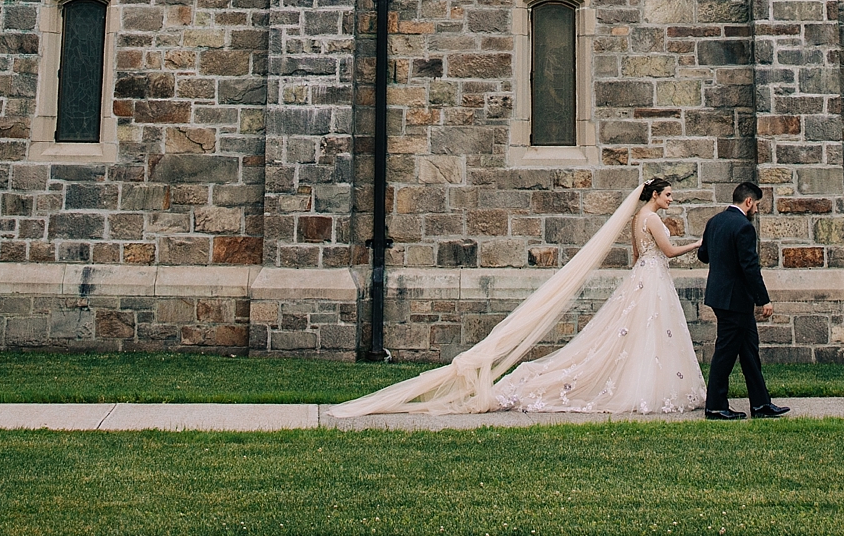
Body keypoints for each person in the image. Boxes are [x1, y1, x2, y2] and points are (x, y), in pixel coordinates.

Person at [327, 175, 707, 417]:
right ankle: (649, 388)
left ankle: (643, 384)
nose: (672, 199)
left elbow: (637, 256)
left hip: (643, 276)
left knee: (635, 336)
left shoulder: (636, 219)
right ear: (655, 195)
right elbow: (666, 253)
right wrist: (698, 244)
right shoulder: (653, 218)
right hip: (653, 278)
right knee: (648, 336)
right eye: (669, 194)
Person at [700, 181, 789, 420]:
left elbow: (703, 255)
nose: (757, 210)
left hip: (719, 296)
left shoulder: (714, 222)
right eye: (757, 205)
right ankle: (715, 406)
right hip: (735, 300)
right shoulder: (743, 227)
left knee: (749, 351)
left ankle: (761, 404)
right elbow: (750, 267)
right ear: (748, 201)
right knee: (725, 353)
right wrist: (764, 300)